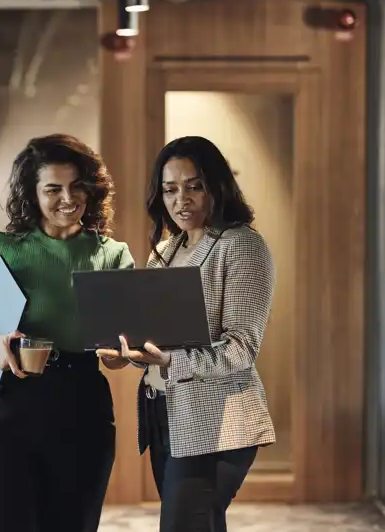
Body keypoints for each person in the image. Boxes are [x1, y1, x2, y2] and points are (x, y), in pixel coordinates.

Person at [0, 134, 134, 532]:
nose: (68, 197)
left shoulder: (113, 255)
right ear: (33, 194)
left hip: (80, 408)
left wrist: (119, 354)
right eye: (53, 188)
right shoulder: (1, 248)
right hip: (1, 410)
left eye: (77, 185)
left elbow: (118, 356)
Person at [98, 136, 276, 532]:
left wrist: (169, 360)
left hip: (219, 422)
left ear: (217, 186)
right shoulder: (164, 251)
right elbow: (158, 342)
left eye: (194, 186)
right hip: (164, 413)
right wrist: (125, 353)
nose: (182, 200)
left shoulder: (243, 246)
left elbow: (241, 349)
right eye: (170, 189)